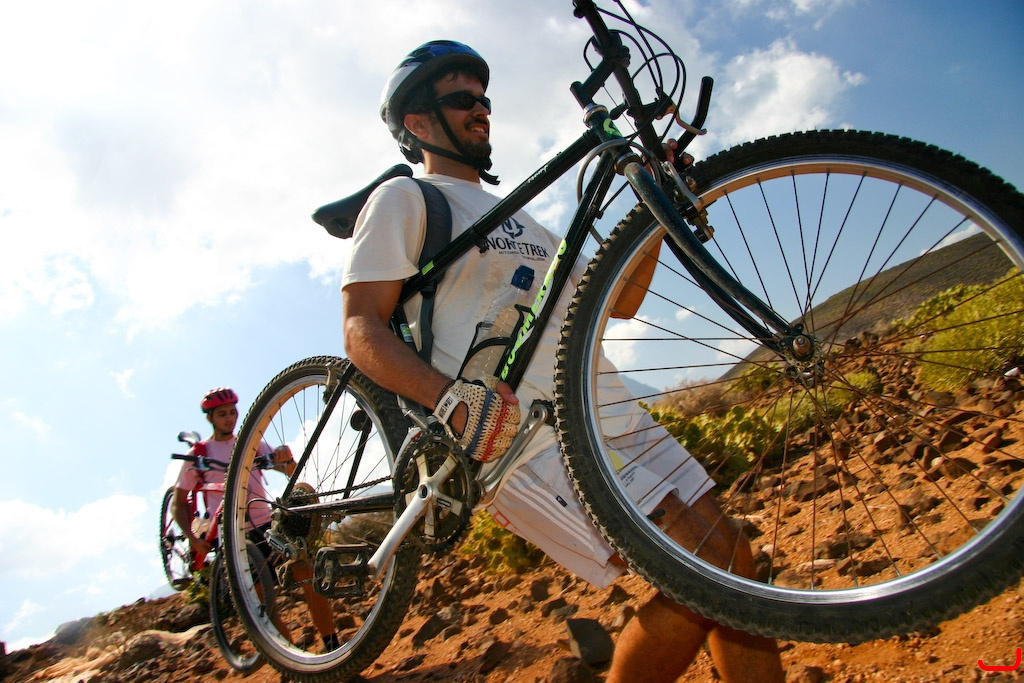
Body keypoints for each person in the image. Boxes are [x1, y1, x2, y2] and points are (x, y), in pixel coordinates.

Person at [341, 41, 784, 682]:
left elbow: (620, 299)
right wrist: (448, 398)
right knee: (705, 570)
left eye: (484, 99)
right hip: (526, 436)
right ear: (417, 123)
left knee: (734, 561)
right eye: (462, 99)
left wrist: (659, 210)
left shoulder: (527, 223)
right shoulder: (406, 200)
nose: (481, 109)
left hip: (609, 414)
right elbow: (360, 326)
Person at [173, 387, 340, 651]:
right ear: (210, 418)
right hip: (232, 534)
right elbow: (179, 503)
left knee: (306, 572)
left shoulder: (250, 443)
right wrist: (193, 539)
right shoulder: (200, 453)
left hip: (266, 525)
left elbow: (290, 471)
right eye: (222, 414)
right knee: (263, 600)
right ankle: (292, 657)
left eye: (232, 412)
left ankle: (332, 644)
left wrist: (286, 458)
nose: (229, 418)